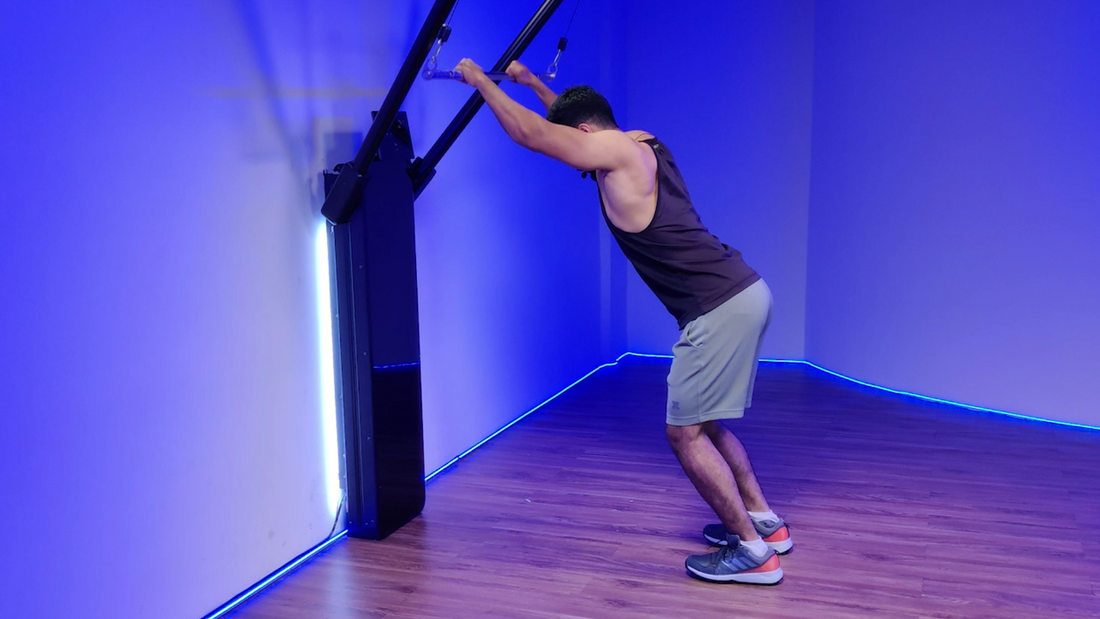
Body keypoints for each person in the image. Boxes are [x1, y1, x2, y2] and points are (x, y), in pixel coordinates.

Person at [453, 58, 792, 585]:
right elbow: (570, 123)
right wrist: (533, 83)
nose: (578, 160)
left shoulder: (611, 150)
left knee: (683, 435)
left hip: (718, 306)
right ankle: (765, 525)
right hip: (741, 290)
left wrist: (479, 83)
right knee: (703, 423)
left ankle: (753, 555)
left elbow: (534, 133)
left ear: (587, 134)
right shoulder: (638, 143)